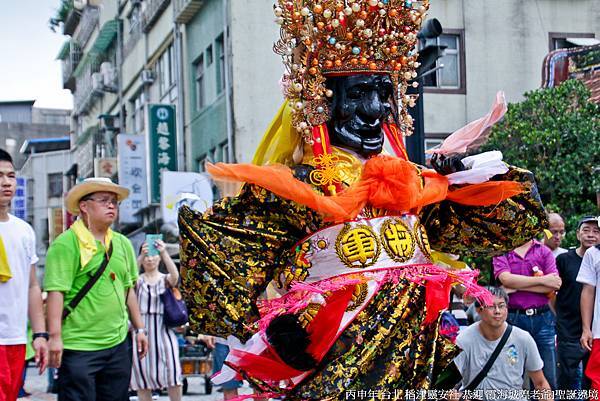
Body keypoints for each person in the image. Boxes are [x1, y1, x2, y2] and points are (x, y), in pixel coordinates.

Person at [177, 1, 547, 398]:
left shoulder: (410, 187)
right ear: (323, 102)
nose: (373, 111)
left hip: (410, 364)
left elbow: (512, 221)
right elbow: (218, 274)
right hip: (333, 363)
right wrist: (270, 326)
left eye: (383, 93)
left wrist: (467, 178)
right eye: (357, 94)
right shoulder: (295, 188)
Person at [44, 177, 148, 401]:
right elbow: (56, 292)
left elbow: (128, 289)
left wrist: (140, 329)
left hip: (118, 344)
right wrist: (54, 337)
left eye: (114, 201)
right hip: (78, 346)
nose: (111, 205)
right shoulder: (66, 244)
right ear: (84, 206)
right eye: (103, 200)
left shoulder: (122, 243)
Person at [0, 148, 48, 401]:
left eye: (11, 175)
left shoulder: (24, 231)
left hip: (16, 339)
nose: (6, 182)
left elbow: (32, 286)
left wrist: (39, 335)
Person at [453, 287, 552, 400]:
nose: (497, 311)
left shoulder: (523, 338)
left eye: (501, 306)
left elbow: (540, 383)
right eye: (491, 306)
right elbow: (446, 387)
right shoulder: (464, 340)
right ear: (479, 310)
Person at [493, 238, 560, 389]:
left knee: (548, 375)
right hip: (513, 319)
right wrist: (543, 281)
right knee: (511, 375)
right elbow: (505, 278)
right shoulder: (501, 250)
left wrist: (515, 285)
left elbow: (555, 284)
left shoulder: (543, 251)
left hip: (543, 319)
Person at [130, 239, 183, 401]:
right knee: (142, 379)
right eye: (147, 256)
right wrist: (140, 256)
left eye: (153, 256)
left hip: (163, 332)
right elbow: (128, 279)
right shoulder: (137, 280)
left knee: (173, 374)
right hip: (141, 332)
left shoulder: (164, 279)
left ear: (158, 259)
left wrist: (164, 252)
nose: (150, 259)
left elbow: (175, 276)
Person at [556, 216, 600, 392]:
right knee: (566, 378)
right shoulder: (564, 259)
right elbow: (553, 292)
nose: (590, 235)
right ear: (577, 234)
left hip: (593, 328)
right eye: (586, 230)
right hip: (570, 328)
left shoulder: (594, 255)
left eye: (596, 231)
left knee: (591, 381)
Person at [577, 240, 600, 390]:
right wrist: (586, 328)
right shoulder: (593, 253)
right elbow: (588, 291)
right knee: (598, 382)